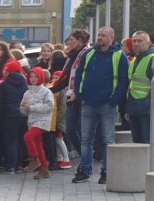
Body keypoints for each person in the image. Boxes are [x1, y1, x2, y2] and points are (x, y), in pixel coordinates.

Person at [72, 27, 130, 184]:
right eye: (99, 35)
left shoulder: (119, 56)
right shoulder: (89, 53)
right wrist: (79, 94)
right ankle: (84, 170)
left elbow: (124, 80)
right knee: (86, 139)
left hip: (107, 104)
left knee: (107, 140)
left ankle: (106, 171)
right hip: (88, 103)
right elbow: (79, 74)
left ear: (111, 38)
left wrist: (114, 100)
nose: (100, 38)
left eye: (103, 35)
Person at [49, 29, 91, 159]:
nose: (69, 42)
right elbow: (66, 78)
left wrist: (77, 92)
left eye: (72, 40)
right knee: (71, 130)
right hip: (71, 95)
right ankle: (85, 154)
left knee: (84, 131)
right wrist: (50, 90)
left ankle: (88, 156)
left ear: (80, 41)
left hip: (82, 96)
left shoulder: (87, 54)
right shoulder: (72, 56)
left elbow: (85, 77)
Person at [20, 67, 55, 179]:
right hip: (32, 121)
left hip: (43, 121)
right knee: (39, 146)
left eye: (36, 76)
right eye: (31, 76)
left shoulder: (46, 91)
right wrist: (24, 107)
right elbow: (23, 110)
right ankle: (45, 169)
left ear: (41, 77)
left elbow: (49, 106)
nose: (33, 79)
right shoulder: (27, 92)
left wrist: (31, 107)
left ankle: (34, 159)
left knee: (28, 137)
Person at [125, 31, 154, 144]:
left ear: (148, 43)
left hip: (146, 109)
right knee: (137, 142)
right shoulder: (135, 60)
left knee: (147, 142)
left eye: (140, 41)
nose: (136, 43)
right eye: (134, 41)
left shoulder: (152, 58)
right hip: (134, 107)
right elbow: (131, 85)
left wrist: (149, 103)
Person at [0, 60, 28, 173]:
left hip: (9, 115)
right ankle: (19, 165)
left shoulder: (4, 84)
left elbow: (1, 102)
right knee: (20, 141)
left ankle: (11, 166)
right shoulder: (25, 84)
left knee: (10, 141)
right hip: (23, 114)